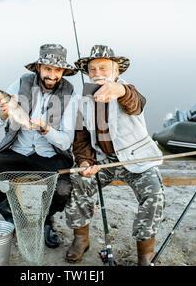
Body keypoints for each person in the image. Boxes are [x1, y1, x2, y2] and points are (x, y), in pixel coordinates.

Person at [0, 44, 78, 249]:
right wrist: (4, 113)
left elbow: (66, 141)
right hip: (16, 151)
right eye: (48, 69)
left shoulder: (70, 92)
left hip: (50, 155)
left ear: (63, 72)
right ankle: (12, 213)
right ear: (39, 67)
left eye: (57, 70)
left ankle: (45, 220)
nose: (52, 75)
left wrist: (47, 130)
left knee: (63, 188)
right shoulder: (21, 83)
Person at [64, 45, 165, 266]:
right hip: (104, 162)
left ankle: (145, 254)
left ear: (116, 72)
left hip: (137, 160)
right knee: (78, 180)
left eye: (103, 68)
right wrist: (84, 162)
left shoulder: (128, 91)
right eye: (92, 69)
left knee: (154, 194)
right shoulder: (83, 102)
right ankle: (81, 239)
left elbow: (135, 102)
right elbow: (80, 142)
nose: (97, 73)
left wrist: (119, 90)